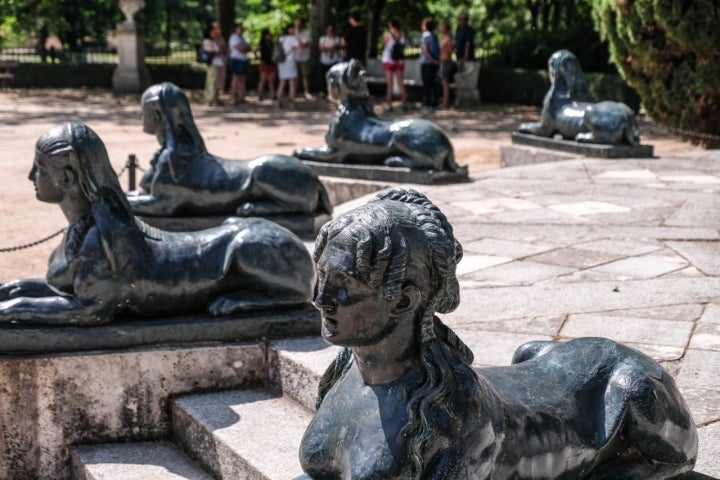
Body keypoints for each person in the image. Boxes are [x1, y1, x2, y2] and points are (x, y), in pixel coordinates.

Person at [299, 187, 698, 480]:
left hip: (603, 382)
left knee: (635, 389)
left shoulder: (454, 417)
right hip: (543, 370)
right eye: (321, 277)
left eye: (343, 285)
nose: (319, 298)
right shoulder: (345, 377)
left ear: (404, 301)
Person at [0, 123, 316, 325]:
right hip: (211, 248)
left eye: (40, 169)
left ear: (66, 177)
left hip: (257, 251)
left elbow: (89, 308)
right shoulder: (89, 230)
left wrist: (15, 308)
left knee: (246, 247)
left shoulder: (101, 241)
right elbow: (66, 287)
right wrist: (18, 290)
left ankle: (278, 294)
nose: (31, 177)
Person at [380, 18, 407, 113]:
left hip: (388, 60)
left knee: (390, 84)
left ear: (391, 25)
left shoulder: (386, 35)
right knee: (401, 83)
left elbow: (383, 47)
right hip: (399, 61)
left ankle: (389, 105)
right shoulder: (402, 34)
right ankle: (404, 104)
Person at [202, 23, 227, 106]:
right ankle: (210, 99)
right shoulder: (207, 41)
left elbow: (223, 49)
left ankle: (216, 98)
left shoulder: (215, 40)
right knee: (211, 82)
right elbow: (212, 52)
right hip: (212, 64)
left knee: (217, 82)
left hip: (218, 63)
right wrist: (219, 52)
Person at [419, 17, 440, 112]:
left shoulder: (425, 35)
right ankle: (435, 101)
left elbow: (425, 49)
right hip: (433, 63)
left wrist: (432, 60)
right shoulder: (434, 35)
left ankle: (428, 103)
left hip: (427, 63)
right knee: (433, 83)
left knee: (427, 83)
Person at [276, 24, 299, 109]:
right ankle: (292, 101)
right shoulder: (292, 38)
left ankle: (279, 101)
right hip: (290, 61)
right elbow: (299, 46)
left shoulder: (281, 38)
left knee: (282, 82)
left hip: (281, 62)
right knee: (292, 82)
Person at [228, 23, 251, 105]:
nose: (241, 30)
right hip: (236, 60)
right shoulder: (234, 38)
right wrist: (245, 48)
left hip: (243, 60)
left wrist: (246, 48)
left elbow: (248, 47)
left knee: (242, 79)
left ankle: (242, 97)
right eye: (239, 28)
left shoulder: (242, 38)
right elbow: (241, 48)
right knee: (236, 78)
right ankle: (234, 97)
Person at [255, 29, 276, 101]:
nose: (269, 36)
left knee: (271, 80)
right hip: (264, 63)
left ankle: (273, 94)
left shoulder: (271, 43)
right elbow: (256, 50)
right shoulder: (261, 43)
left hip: (271, 63)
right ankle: (260, 95)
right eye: (268, 35)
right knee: (262, 80)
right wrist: (259, 59)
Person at [294, 18, 313, 100]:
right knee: (295, 76)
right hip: (294, 57)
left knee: (305, 75)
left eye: (299, 24)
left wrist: (298, 43)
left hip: (305, 57)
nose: (298, 26)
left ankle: (306, 91)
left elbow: (306, 44)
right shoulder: (292, 33)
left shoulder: (307, 32)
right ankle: (295, 92)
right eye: (296, 24)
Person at [438, 20, 454, 108]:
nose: (439, 27)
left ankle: (446, 102)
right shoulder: (443, 37)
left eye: (441, 26)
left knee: (445, 82)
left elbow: (450, 50)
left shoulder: (447, 38)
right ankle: (445, 100)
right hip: (443, 61)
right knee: (443, 82)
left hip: (446, 61)